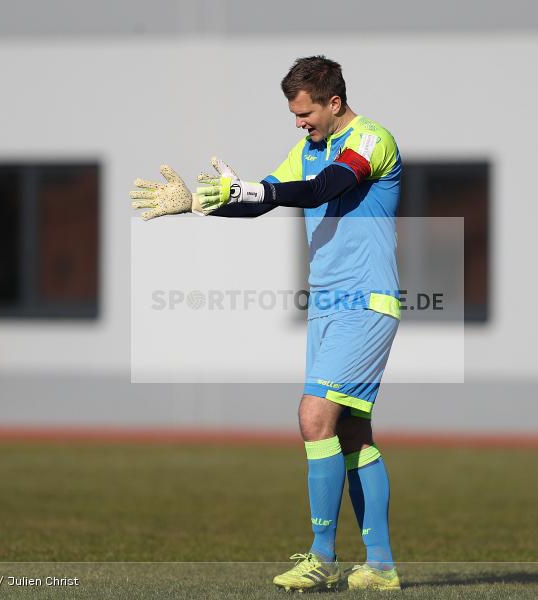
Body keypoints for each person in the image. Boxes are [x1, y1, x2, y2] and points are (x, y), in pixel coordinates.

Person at [130, 56, 402, 591]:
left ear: (334, 103)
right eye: (294, 115)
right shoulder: (308, 149)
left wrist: (257, 191)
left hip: (366, 303)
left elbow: (324, 188)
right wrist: (198, 205)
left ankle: (322, 557)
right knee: (351, 433)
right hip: (327, 306)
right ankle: (380, 566)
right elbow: (263, 201)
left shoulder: (371, 140)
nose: (299, 123)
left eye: (305, 114)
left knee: (312, 417)